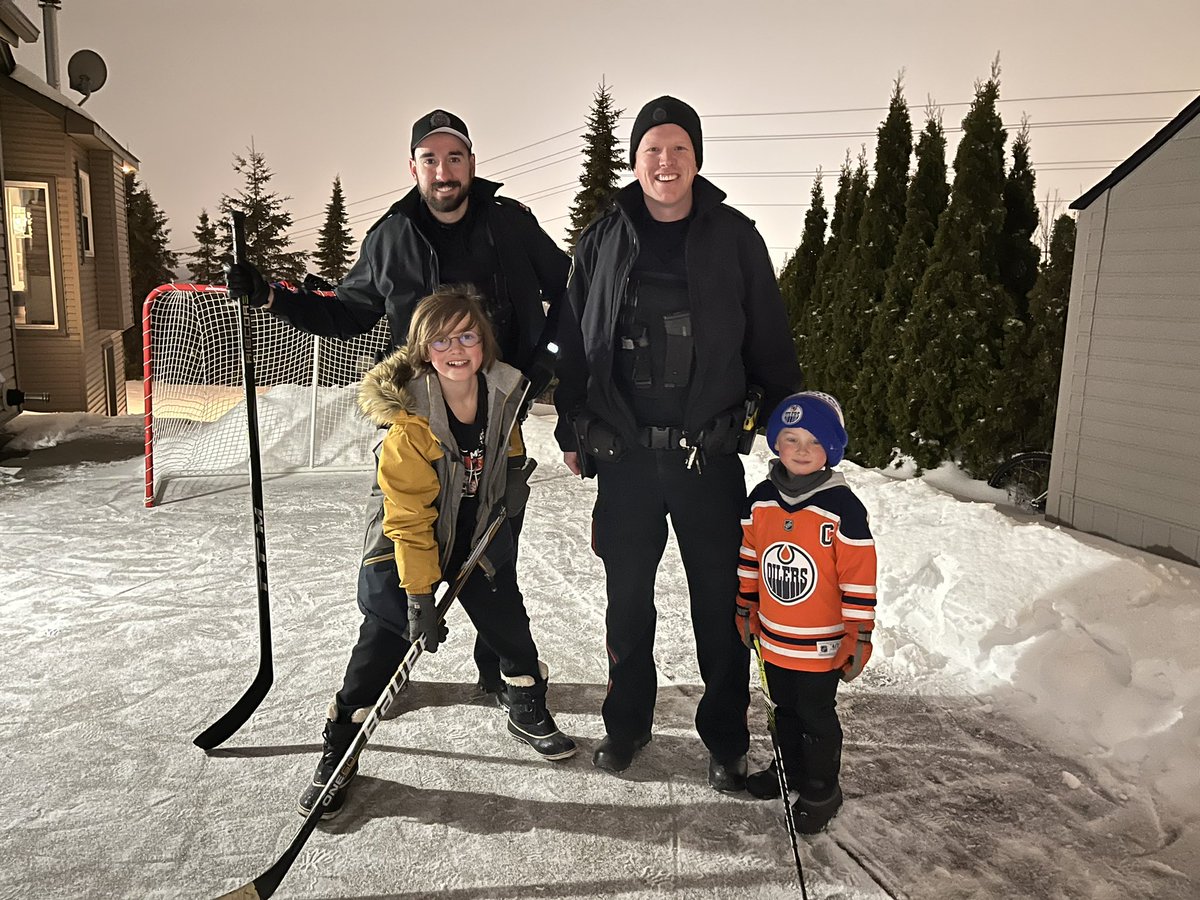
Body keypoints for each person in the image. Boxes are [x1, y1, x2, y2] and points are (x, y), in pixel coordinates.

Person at [226, 109, 570, 703]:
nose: (443, 171)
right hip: (417, 425)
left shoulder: (509, 225)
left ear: (470, 164)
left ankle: (500, 673)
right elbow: (345, 312)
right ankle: (384, 659)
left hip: (498, 419)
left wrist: (547, 360)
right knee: (397, 545)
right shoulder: (389, 237)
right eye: (431, 159)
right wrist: (273, 297)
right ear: (413, 167)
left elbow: (569, 288)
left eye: (454, 158)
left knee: (491, 553)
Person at [552, 95, 803, 790]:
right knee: (627, 602)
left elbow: (771, 347)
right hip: (626, 459)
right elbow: (574, 344)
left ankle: (725, 739)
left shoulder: (735, 238)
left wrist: (787, 432)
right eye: (652, 150)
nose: (666, 163)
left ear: (697, 158)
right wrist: (573, 425)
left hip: (707, 457)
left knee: (720, 607)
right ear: (635, 160)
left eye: (679, 149)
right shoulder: (601, 238)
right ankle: (626, 724)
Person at [296, 288, 576, 820]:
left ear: (483, 342)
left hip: (474, 533)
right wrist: (420, 598)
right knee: (381, 642)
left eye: (467, 335)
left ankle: (523, 702)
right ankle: (340, 746)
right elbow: (409, 519)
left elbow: (506, 442)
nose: (456, 349)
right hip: (405, 545)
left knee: (508, 622)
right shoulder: (410, 423)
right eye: (441, 339)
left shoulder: (502, 391)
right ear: (423, 349)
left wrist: (514, 474)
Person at [735, 391, 877, 833]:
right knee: (783, 709)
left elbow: (859, 578)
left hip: (821, 644)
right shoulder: (760, 499)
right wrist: (746, 605)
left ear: (831, 450)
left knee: (815, 715)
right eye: (791, 438)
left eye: (813, 441)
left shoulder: (842, 509)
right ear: (776, 444)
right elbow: (751, 555)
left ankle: (821, 788)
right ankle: (789, 770)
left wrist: (860, 634)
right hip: (775, 638)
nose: (800, 449)